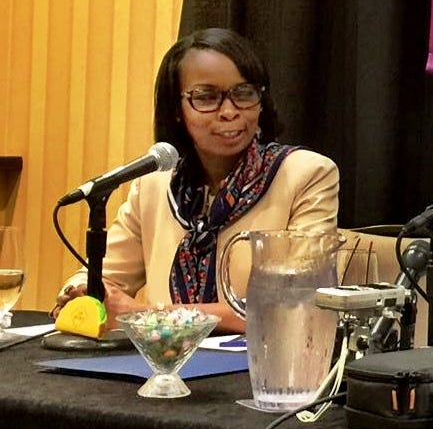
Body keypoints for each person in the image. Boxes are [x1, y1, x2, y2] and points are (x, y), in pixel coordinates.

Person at [53, 28, 339, 334]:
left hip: (260, 360)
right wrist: (81, 291)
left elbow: (296, 302)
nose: (229, 111)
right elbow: (106, 277)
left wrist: (147, 315)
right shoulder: (154, 184)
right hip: (165, 357)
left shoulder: (306, 174)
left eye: (244, 93)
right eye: (206, 97)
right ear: (177, 110)